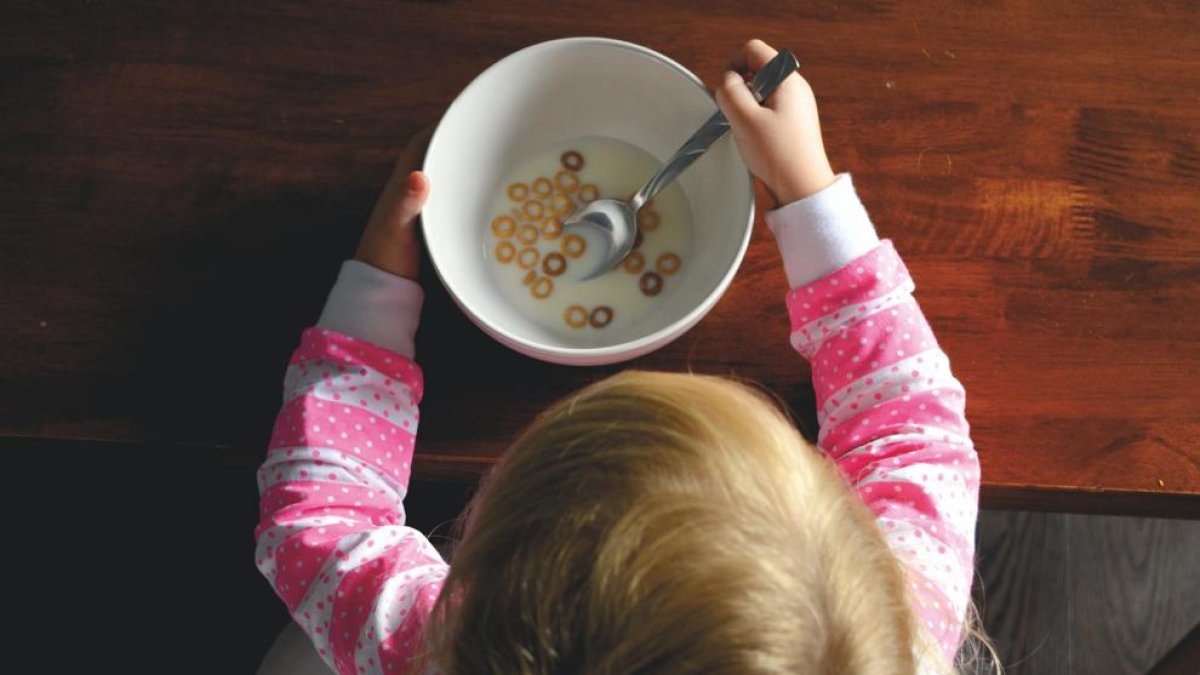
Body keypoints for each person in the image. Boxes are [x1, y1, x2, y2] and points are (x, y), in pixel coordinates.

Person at [256, 38, 991, 675]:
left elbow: (322, 519)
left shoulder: (435, 649)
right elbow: (910, 428)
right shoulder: (892, 632)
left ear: (482, 582)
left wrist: (376, 284)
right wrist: (809, 190)